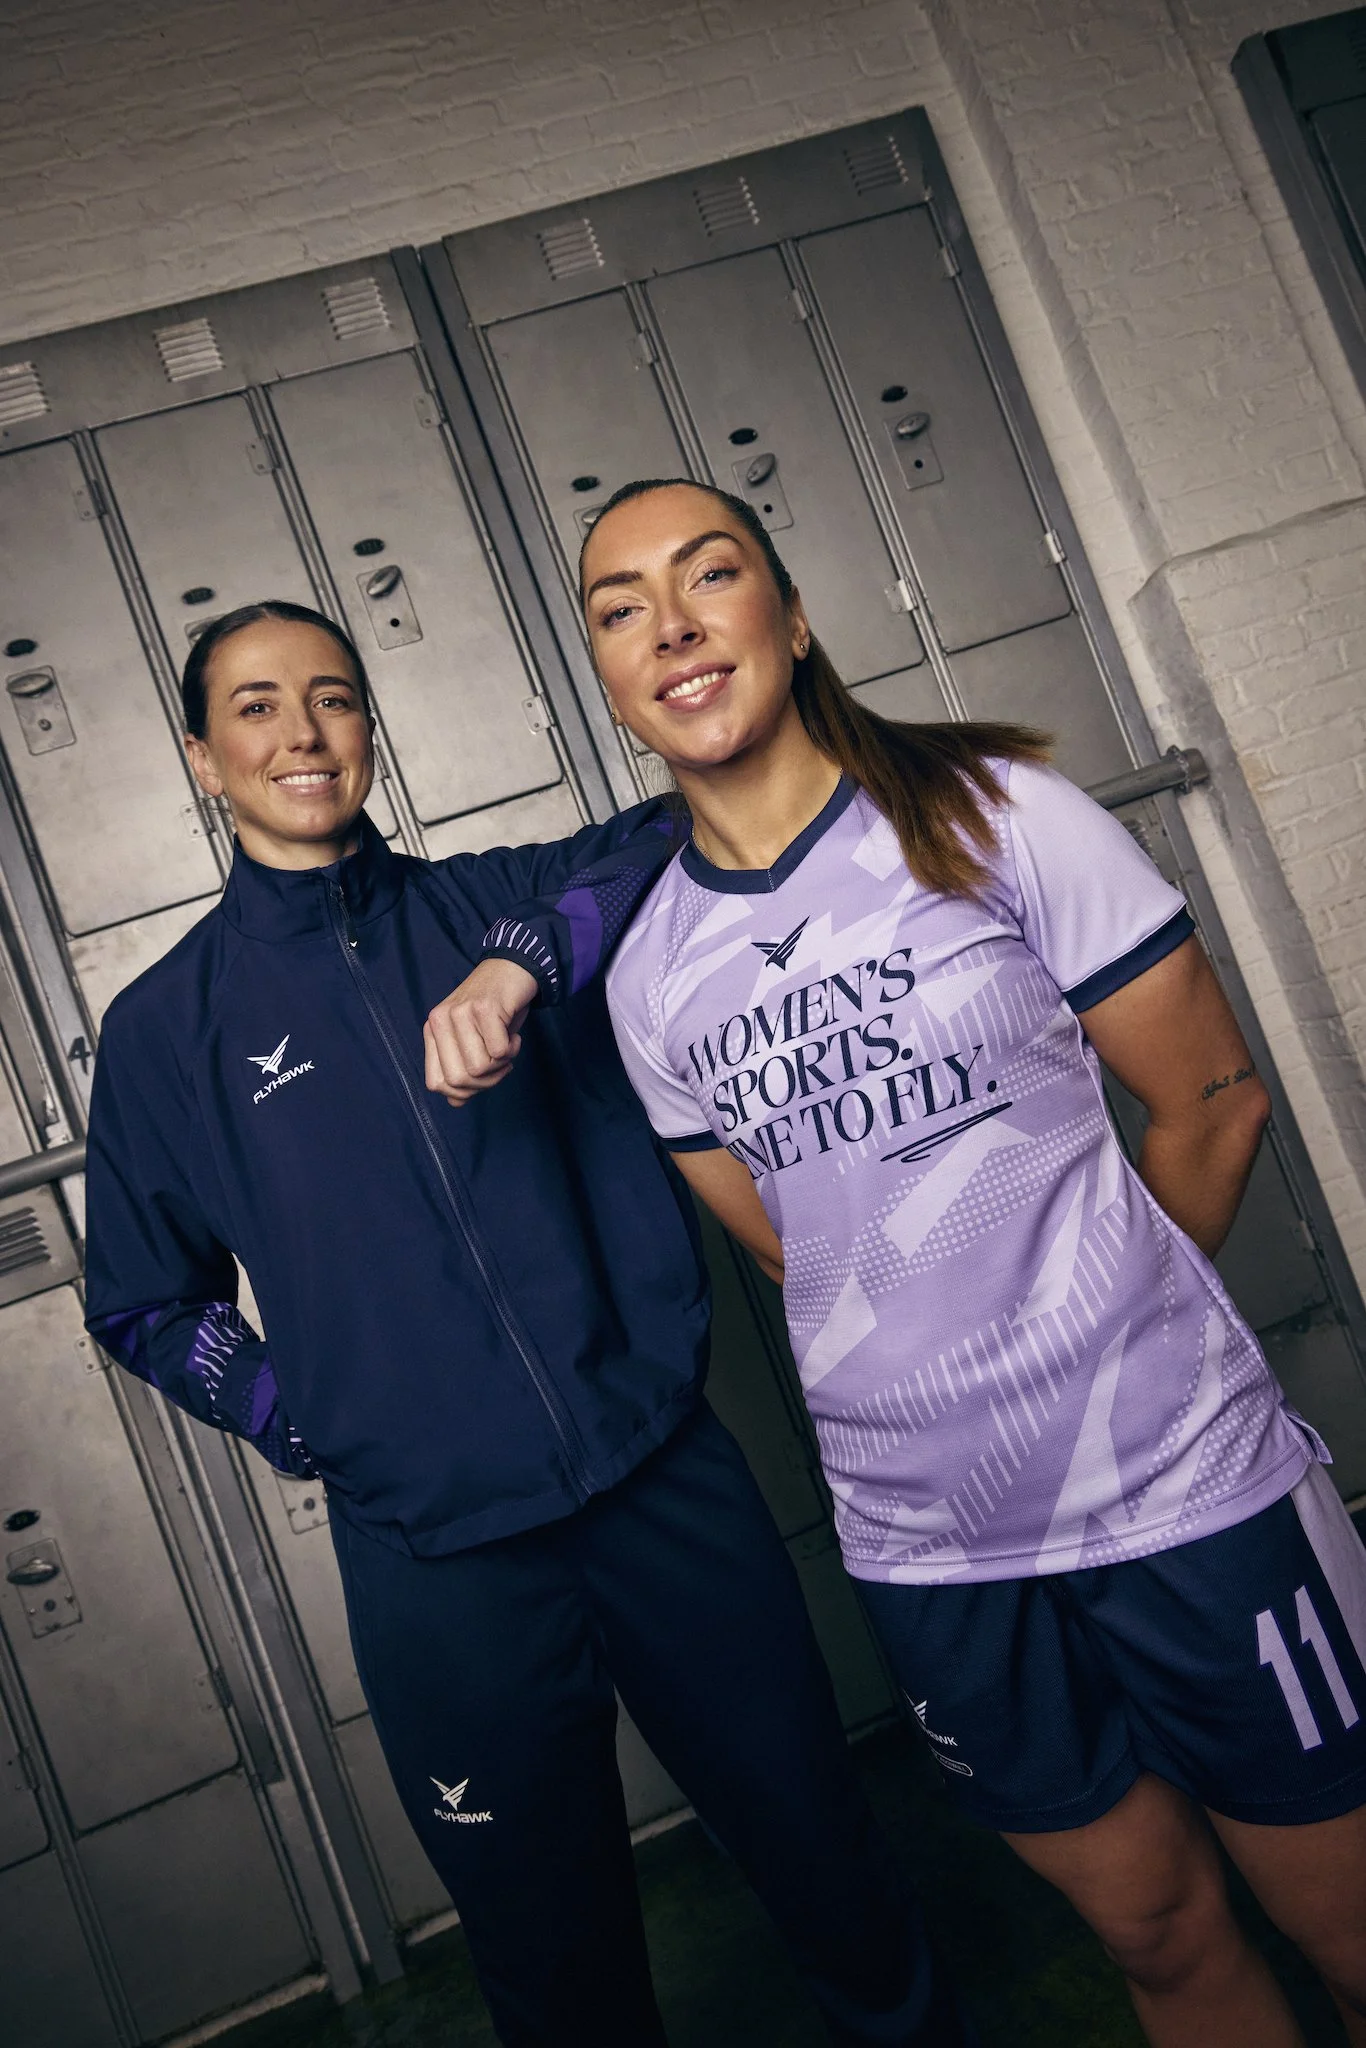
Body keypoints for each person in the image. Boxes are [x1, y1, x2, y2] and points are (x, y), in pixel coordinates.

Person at [460, 477, 1366, 2047]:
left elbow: (1210, 1100)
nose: (670, 624)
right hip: (932, 1550)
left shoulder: (992, 815)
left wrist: (1091, 1318)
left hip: (1184, 1487)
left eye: (711, 574)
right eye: (620, 608)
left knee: (1351, 1929)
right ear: (607, 675)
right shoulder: (654, 973)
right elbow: (804, 1249)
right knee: (1153, 1939)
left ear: (790, 618)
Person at [82, 599, 972, 2048]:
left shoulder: (492, 903)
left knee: (830, 1857)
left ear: (370, 725)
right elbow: (135, 1295)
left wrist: (513, 966)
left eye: (331, 696)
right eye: (256, 708)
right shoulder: (165, 1028)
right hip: (440, 1564)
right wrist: (301, 1418)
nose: (302, 733)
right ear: (201, 757)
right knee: (551, 1961)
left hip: (661, 1489)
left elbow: (669, 830)